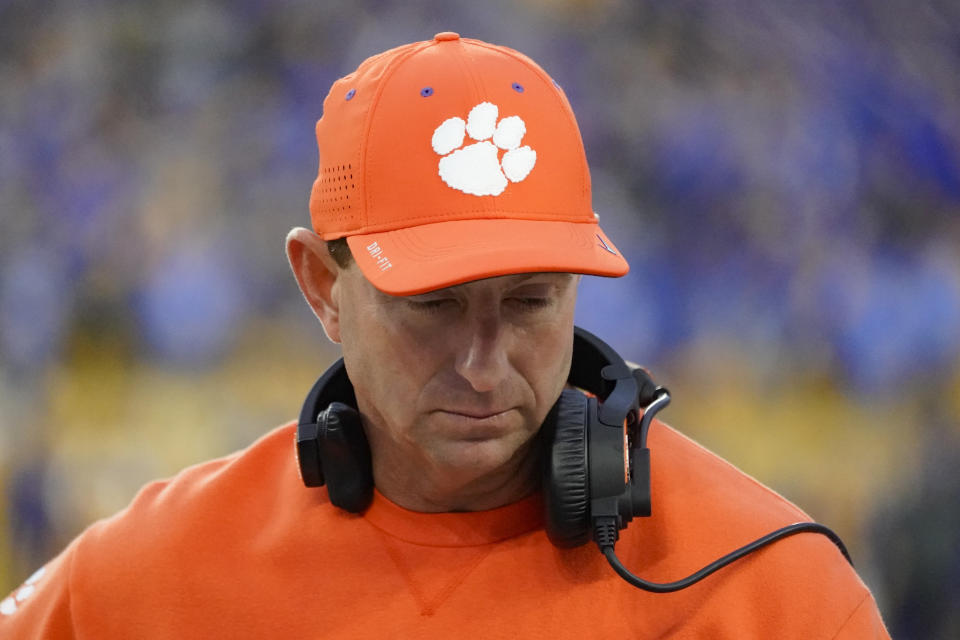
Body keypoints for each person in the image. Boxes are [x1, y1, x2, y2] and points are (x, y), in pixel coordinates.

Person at [1, 32, 889, 638]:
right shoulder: (149, 578)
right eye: (434, 305)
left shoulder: (769, 590)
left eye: (533, 302)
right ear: (322, 285)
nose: (483, 362)